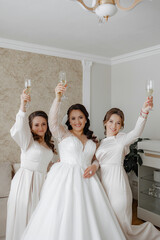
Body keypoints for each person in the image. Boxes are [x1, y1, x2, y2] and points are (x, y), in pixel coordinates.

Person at [21, 83, 126, 240]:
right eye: (73, 118)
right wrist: (58, 98)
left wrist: (94, 166)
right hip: (65, 179)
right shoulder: (63, 133)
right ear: (69, 120)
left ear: (85, 119)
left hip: (88, 179)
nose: (77, 121)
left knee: (90, 217)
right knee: (62, 216)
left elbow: (97, 158)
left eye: (81, 117)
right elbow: (53, 121)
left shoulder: (93, 138)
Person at [96, 96, 160, 240]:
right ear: (105, 122)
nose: (114, 126)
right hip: (104, 186)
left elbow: (136, 132)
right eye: (111, 121)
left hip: (118, 186)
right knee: (109, 222)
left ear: (121, 126)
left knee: (122, 227)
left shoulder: (121, 139)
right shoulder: (100, 143)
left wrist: (144, 112)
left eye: (118, 123)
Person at [6, 89, 56, 240]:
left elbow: (46, 164)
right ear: (31, 126)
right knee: (24, 217)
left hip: (42, 182)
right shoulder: (27, 141)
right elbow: (18, 128)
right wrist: (23, 105)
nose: (40, 127)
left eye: (43, 124)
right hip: (26, 182)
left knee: (38, 219)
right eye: (36, 125)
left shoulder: (48, 144)